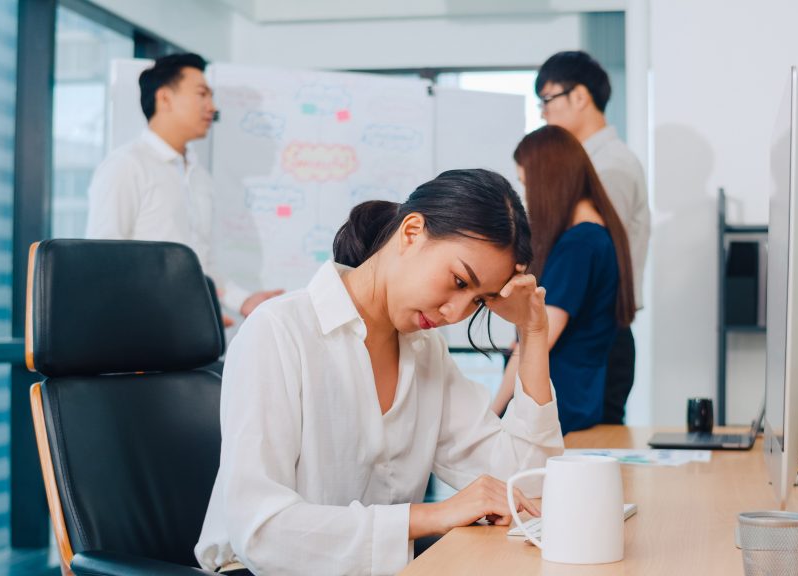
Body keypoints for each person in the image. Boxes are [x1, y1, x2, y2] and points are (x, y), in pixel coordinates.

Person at [195, 169, 564, 575]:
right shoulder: (279, 331)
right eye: (459, 281)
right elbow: (261, 531)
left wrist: (532, 333)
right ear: (411, 232)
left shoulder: (426, 353)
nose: (456, 313)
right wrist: (433, 515)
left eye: (478, 301)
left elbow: (528, 484)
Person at [85, 53, 281, 323]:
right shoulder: (126, 166)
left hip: (186, 330)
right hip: (139, 331)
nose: (212, 107)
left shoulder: (198, 176)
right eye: (202, 94)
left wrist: (243, 301)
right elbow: (102, 262)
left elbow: (202, 264)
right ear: (165, 98)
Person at [491, 126, 636, 435]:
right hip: (578, 398)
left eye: (527, 184)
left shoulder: (579, 245)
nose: (527, 197)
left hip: (561, 405)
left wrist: (492, 414)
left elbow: (537, 339)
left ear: (548, 182)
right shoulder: (599, 232)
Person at [536, 50, 650, 424]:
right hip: (578, 336)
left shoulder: (609, 167)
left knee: (590, 462)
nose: (543, 113)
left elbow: (588, 259)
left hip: (593, 341)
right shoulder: (592, 163)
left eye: (548, 100)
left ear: (580, 96)